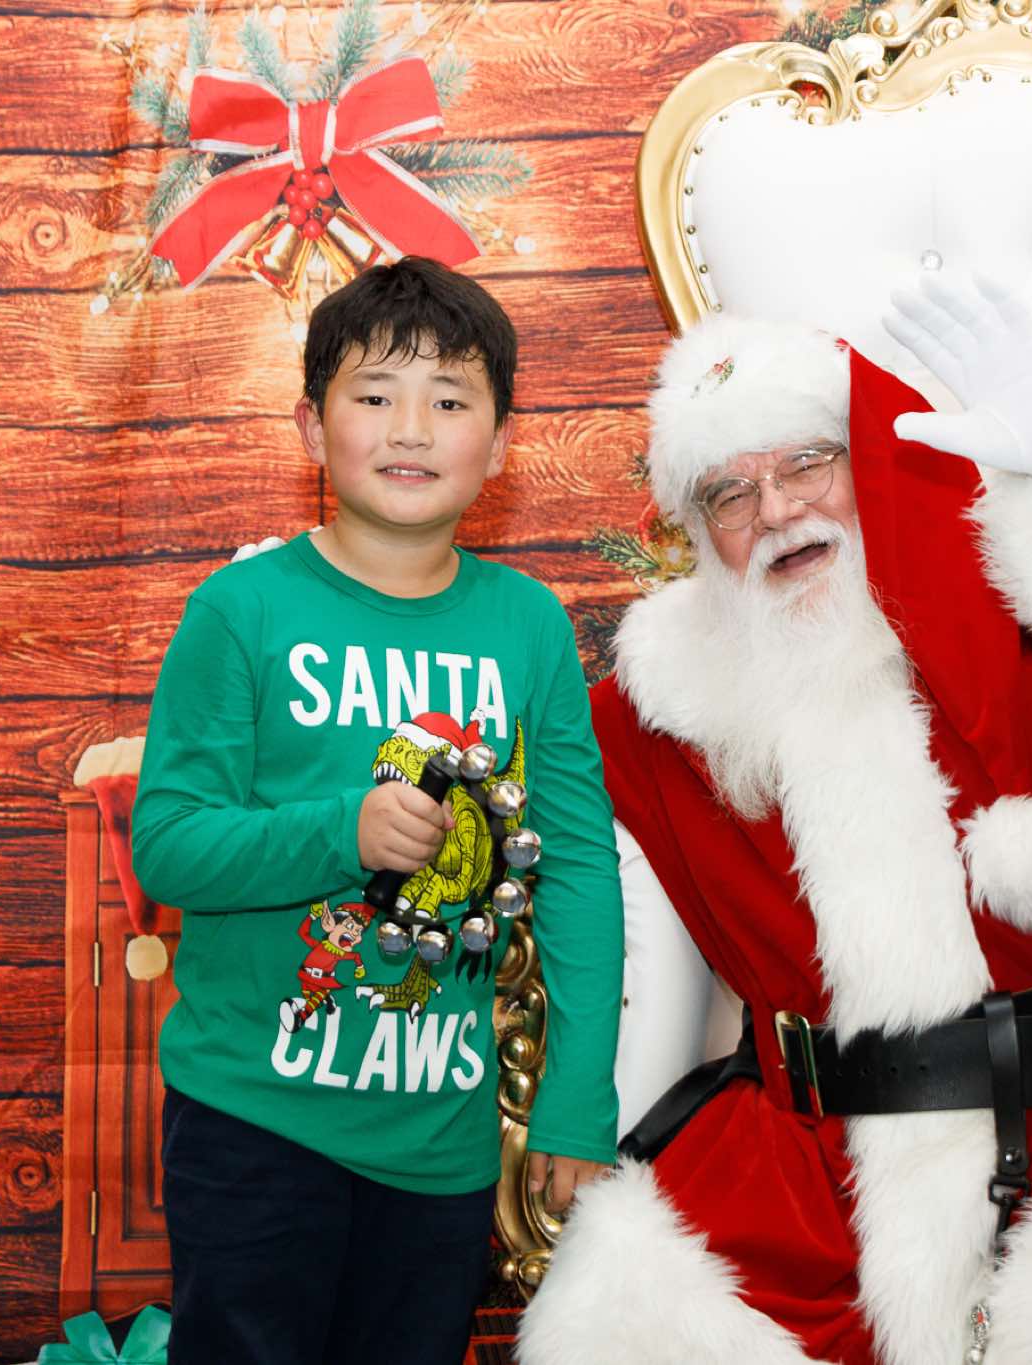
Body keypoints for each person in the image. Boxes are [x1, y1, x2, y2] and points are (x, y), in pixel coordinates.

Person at [518, 274, 1032, 1365]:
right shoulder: (665, 711)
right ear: (696, 534)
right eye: (729, 494)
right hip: (821, 1175)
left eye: (806, 464)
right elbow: (502, 787)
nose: (775, 512)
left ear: (870, 460)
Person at [131, 257, 623, 1365]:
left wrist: (578, 1100)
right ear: (311, 427)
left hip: (440, 1144)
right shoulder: (241, 610)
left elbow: (582, 868)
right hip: (254, 1122)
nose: (410, 429)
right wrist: (338, 833)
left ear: (500, 445)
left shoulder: (528, 627)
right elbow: (167, 845)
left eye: (448, 401)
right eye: (374, 395)